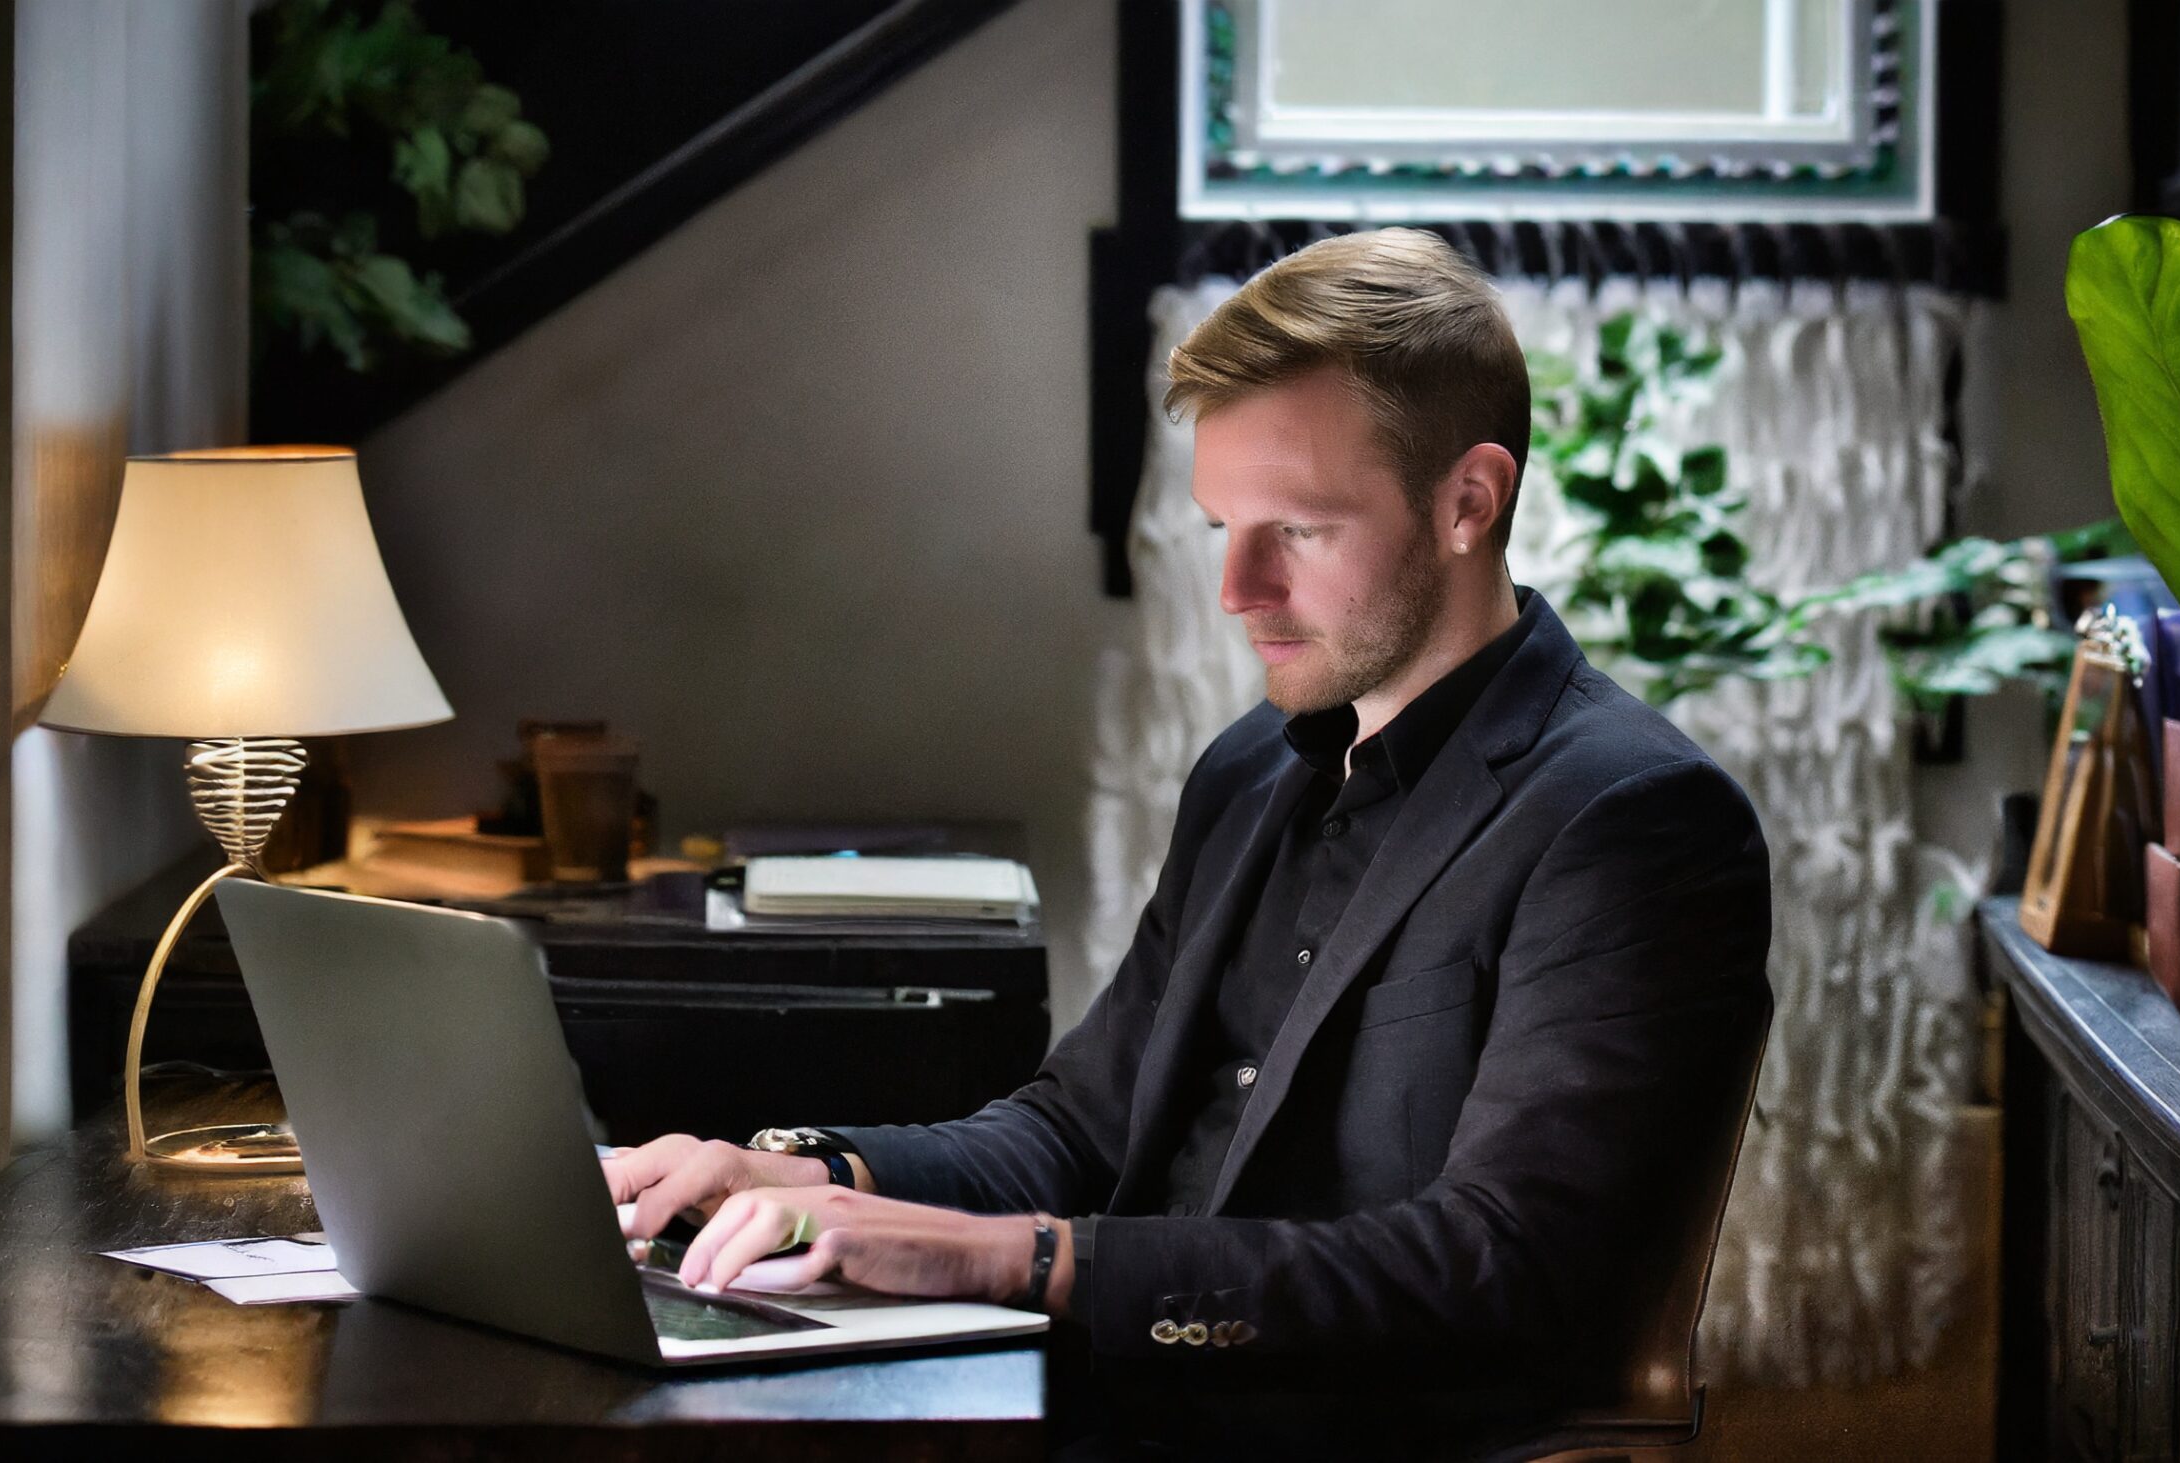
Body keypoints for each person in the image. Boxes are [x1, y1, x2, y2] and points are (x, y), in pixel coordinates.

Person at [603, 227, 1774, 1459]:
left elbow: (1499, 1269)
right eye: (1222, 522)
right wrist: (811, 1174)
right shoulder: (1249, 767)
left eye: (1300, 528)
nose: (1237, 587)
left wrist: (1028, 1259)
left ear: (1468, 501)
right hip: (1106, 1407)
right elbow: (1077, 1130)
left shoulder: (1632, 819)